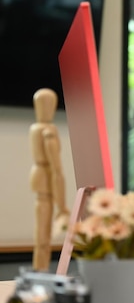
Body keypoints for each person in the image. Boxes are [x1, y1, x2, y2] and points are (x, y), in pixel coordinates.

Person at [30, 88, 70, 272]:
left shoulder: (34, 129)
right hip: (46, 181)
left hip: (38, 178)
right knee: (44, 238)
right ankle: (41, 271)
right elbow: (57, 169)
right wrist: (62, 206)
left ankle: (40, 271)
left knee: (42, 235)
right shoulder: (47, 131)